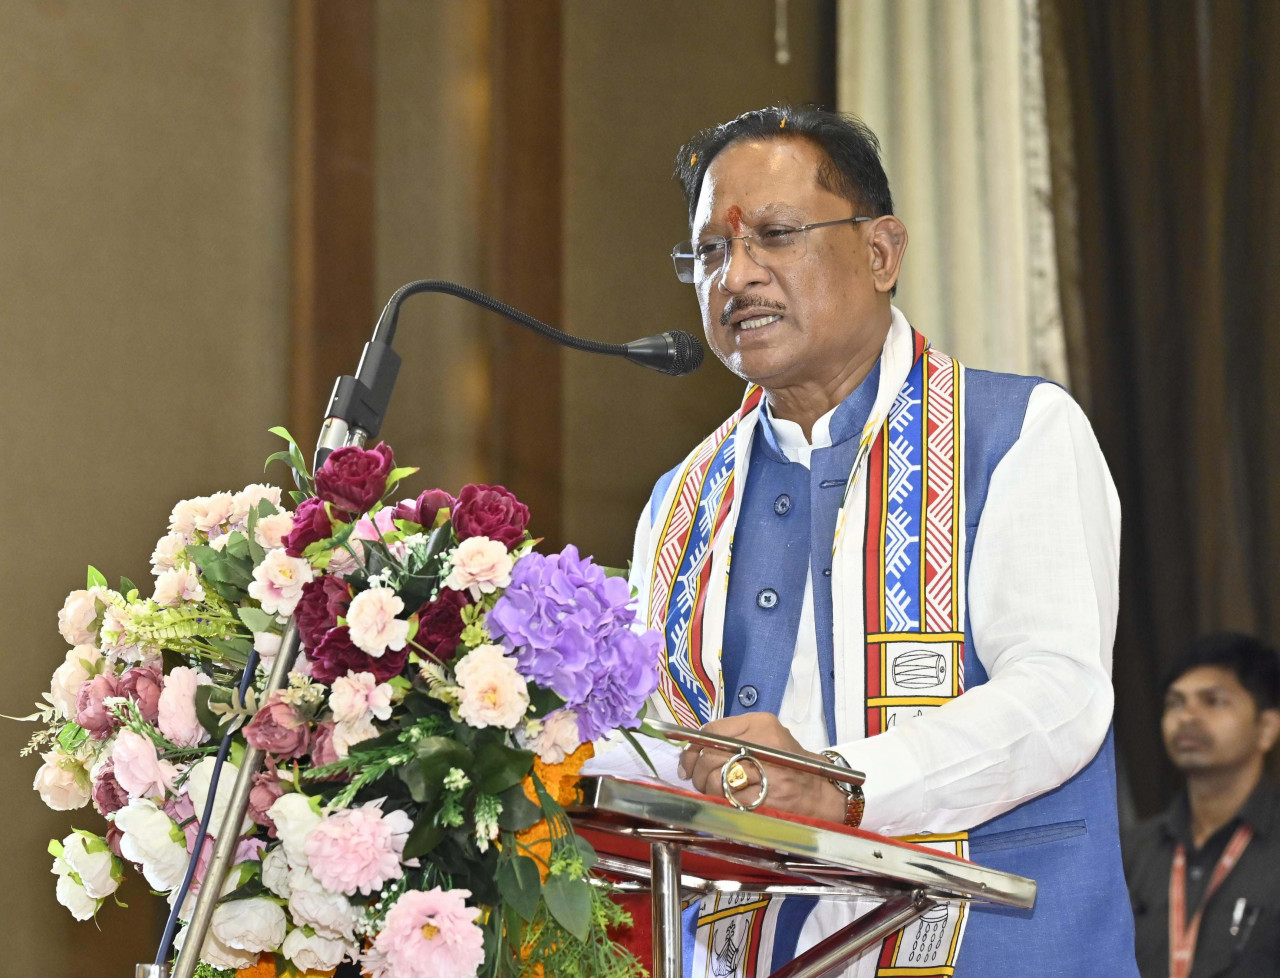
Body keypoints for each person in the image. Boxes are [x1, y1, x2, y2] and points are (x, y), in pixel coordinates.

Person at [590, 105, 1137, 977]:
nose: (737, 276)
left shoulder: (1016, 433)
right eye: (710, 252)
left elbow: (1059, 696)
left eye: (775, 235)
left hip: (996, 948)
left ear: (881, 252)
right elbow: (659, 746)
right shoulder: (681, 501)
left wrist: (842, 785)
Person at [1123, 633, 1280, 978]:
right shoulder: (1130, 852)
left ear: (1267, 728)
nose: (1187, 716)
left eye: (1213, 701)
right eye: (1175, 703)